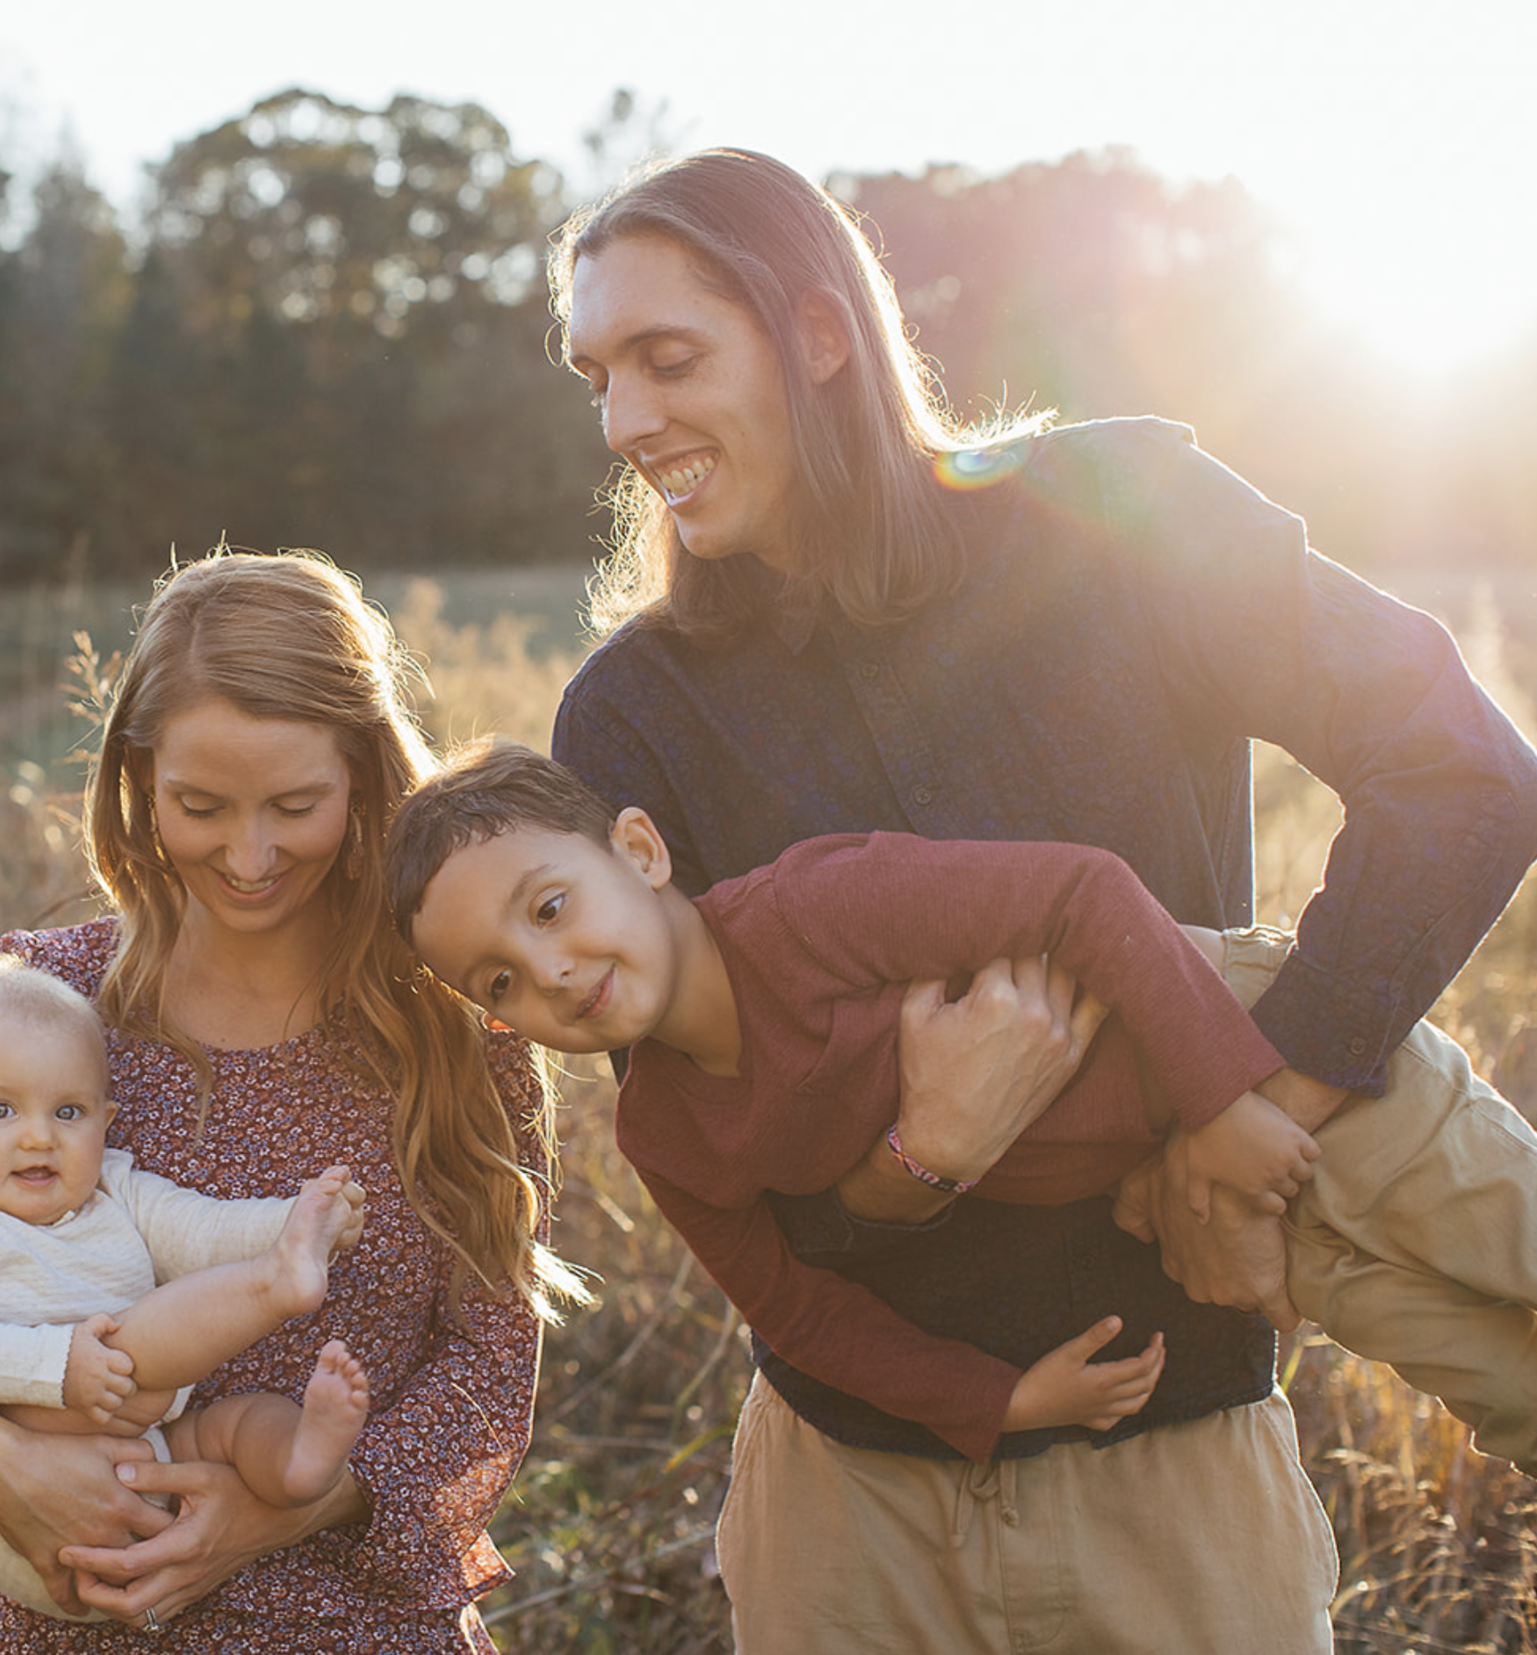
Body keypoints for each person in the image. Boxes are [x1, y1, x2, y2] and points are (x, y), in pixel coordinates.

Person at [543, 147, 1537, 1651]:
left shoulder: (1121, 509)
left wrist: (1261, 1103)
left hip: (1181, 1469)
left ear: (819, 336)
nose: (626, 421)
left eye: (667, 359)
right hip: (850, 1509)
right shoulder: (627, 718)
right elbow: (713, 1149)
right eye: (597, 377)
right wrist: (913, 1158)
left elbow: (1463, 773)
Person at [0, 549, 586, 1652]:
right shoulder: (44, 1004)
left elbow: (487, 1367)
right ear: (140, 780)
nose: (248, 856)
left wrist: (295, 1500)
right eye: (201, 805)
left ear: (361, 779)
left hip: (358, 1627)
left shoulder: (456, 1026)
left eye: (294, 804)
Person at [387, 738, 1537, 1471]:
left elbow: (1079, 893)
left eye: (547, 907)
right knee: (1498, 1383)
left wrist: (1231, 1094)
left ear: (636, 848)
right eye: (498, 979)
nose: (545, 971)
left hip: (1259, 1042)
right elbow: (798, 1311)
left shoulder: (803, 914)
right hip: (1196, 1192)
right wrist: (999, 1396)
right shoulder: (667, 1131)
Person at [0, 951, 375, 1620]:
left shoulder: (113, 1189)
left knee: (237, 1424)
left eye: (69, 1111)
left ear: (104, 1120)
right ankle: (277, 1284)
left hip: (154, 1462)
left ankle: (298, 1465)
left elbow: (199, 1229)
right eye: (0, 1109)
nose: (38, 1136)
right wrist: (57, 1365)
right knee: (131, 1345)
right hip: (31, 1491)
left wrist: (299, 1218)